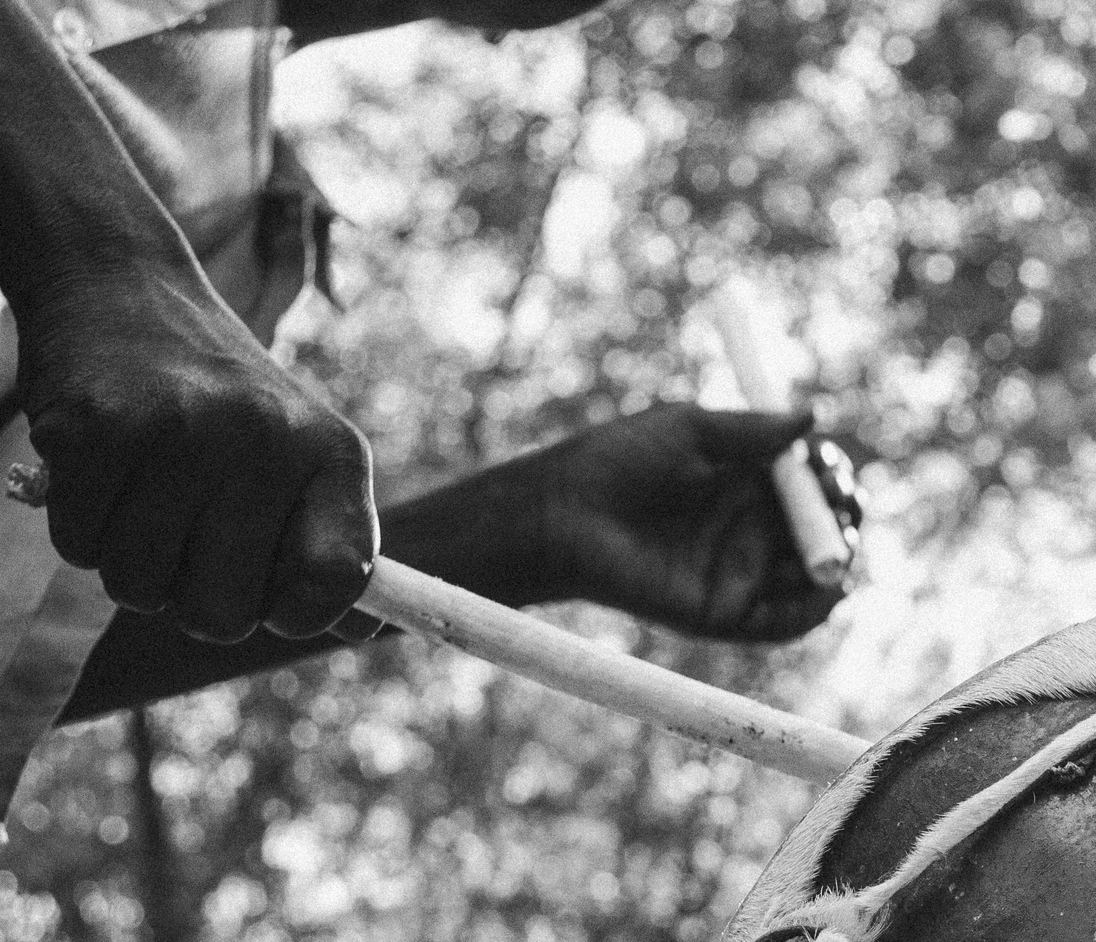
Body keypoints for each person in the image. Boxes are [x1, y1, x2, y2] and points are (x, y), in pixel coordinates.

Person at [0, 0, 849, 807]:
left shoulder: (246, 252)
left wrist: (533, 531)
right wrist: (102, 262)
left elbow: (37, 650)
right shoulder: (154, 260)